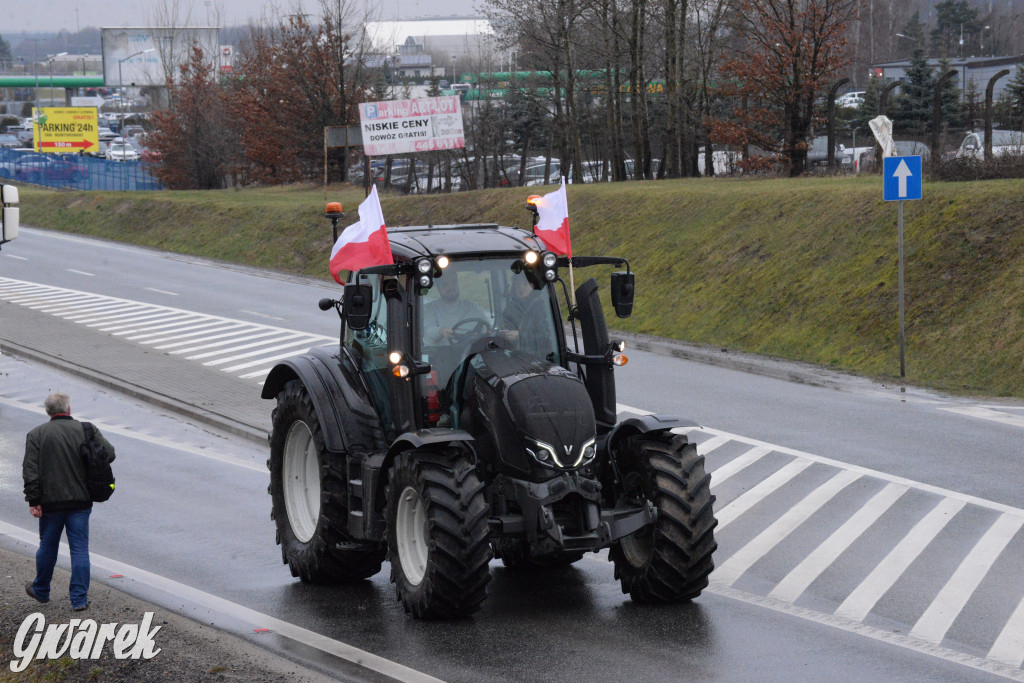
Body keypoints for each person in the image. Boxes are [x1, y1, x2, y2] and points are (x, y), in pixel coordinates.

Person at [23, 392, 115, 611]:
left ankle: (41, 591)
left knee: (47, 546)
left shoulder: (36, 434)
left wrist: (33, 500)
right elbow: (109, 454)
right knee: (80, 549)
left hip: (50, 503)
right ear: (69, 409)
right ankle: (79, 599)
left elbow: (30, 472)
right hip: (81, 501)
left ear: (47, 411)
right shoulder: (87, 430)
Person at [422, 271, 488, 345]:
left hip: (471, 352)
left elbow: (487, 329)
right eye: (445, 284)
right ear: (438, 288)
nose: (451, 287)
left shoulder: (472, 307)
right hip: (441, 354)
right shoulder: (429, 309)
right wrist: (441, 331)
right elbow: (427, 332)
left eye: (453, 282)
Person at [499, 275, 553, 356]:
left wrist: (520, 336)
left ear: (533, 286)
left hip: (538, 359)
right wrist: (501, 333)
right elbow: (506, 327)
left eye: (525, 284)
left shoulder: (542, 307)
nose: (521, 287)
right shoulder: (510, 307)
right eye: (518, 284)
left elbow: (548, 338)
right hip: (514, 356)